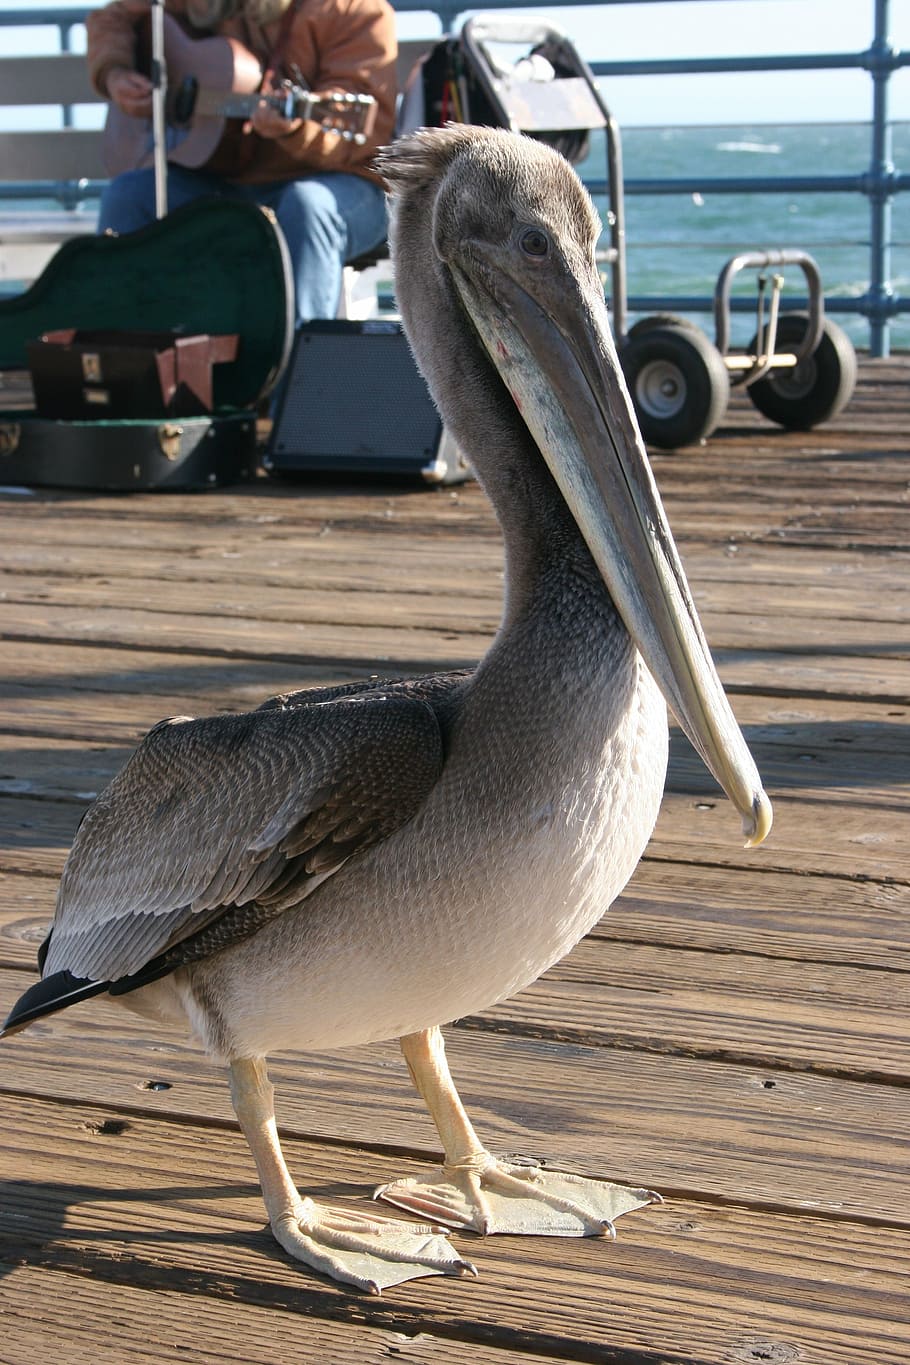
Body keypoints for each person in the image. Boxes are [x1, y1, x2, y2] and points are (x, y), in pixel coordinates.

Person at [86, 0, 397, 326]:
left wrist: (295, 129)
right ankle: (121, 358)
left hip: (340, 185)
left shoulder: (356, 10)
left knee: (307, 207)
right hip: (223, 182)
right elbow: (114, 16)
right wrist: (115, 72)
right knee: (129, 196)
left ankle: (297, 366)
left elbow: (363, 132)